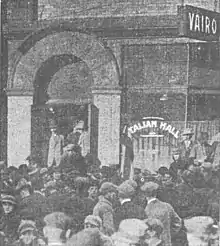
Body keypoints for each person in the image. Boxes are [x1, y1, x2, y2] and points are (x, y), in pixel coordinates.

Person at [141, 182, 182, 246]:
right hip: (166, 242)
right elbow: (178, 223)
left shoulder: (145, 210)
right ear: (156, 193)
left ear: (145, 195)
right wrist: (168, 234)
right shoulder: (167, 206)